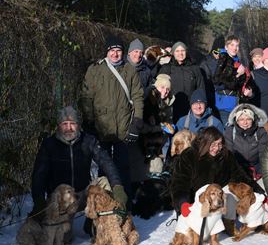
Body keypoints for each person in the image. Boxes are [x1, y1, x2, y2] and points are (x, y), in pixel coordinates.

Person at [30, 106, 125, 225]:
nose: (69, 128)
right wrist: (38, 201)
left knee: (103, 182)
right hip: (61, 200)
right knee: (64, 239)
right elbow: (39, 174)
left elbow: (106, 162)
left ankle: (100, 223)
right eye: (65, 123)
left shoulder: (89, 140)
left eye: (72, 123)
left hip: (83, 195)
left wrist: (118, 187)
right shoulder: (49, 145)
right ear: (59, 125)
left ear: (78, 125)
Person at [79, 35, 144, 203]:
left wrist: (137, 122)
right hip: (101, 128)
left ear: (123, 52)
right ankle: (104, 204)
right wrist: (89, 121)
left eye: (118, 50)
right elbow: (87, 98)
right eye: (112, 50)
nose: (115, 54)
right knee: (104, 168)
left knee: (123, 166)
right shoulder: (95, 70)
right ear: (107, 52)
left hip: (123, 127)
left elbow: (137, 96)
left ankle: (125, 204)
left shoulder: (129, 71)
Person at [169, 127, 263, 234]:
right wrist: (183, 204)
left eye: (219, 144)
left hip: (219, 200)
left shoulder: (226, 156)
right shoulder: (189, 155)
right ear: (204, 143)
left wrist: (260, 192)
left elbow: (241, 176)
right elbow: (179, 183)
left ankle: (228, 223)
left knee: (230, 193)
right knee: (193, 233)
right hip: (195, 202)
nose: (216, 148)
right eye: (213, 144)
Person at [212, 35, 254, 124]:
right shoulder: (222, 60)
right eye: (232, 45)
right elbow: (218, 81)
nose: (235, 48)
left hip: (236, 105)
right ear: (226, 47)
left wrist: (248, 92)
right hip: (223, 105)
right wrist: (238, 74)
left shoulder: (237, 62)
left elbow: (241, 85)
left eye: (237, 45)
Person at [158, 41, 204, 122]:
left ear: (186, 52)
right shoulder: (166, 68)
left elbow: (201, 89)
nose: (180, 53)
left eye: (183, 50)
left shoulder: (195, 69)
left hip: (190, 109)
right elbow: (158, 89)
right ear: (173, 53)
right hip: (171, 109)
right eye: (177, 51)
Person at [224, 103, 268, 180]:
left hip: (256, 167)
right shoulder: (230, 131)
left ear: (253, 119)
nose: (245, 122)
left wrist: (260, 172)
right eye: (241, 119)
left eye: (248, 119)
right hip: (237, 167)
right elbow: (229, 155)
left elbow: (264, 155)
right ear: (237, 121)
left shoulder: (260, 131)